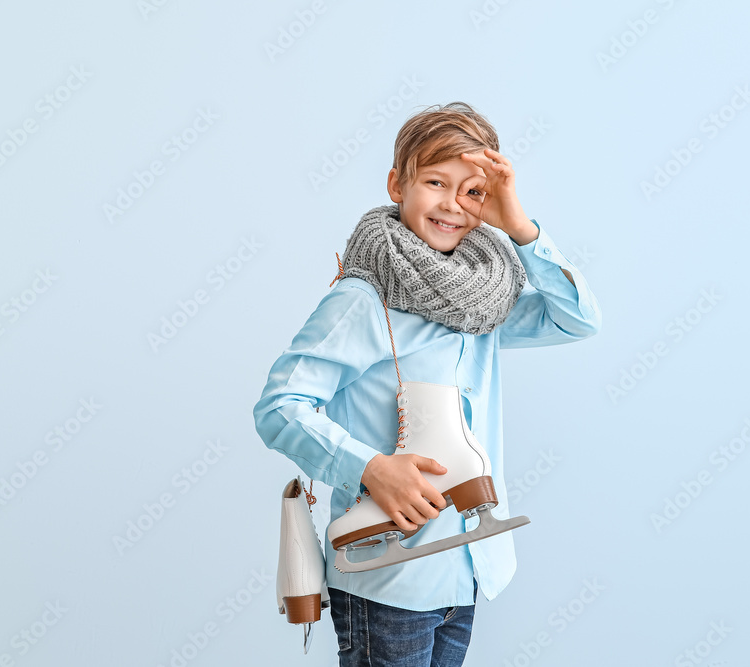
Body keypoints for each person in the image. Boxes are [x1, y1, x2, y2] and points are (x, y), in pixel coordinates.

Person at [254, 101, 601, 666]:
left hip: (467, 567)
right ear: (398, 184)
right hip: (387, 577)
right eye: (436, 182)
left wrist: (520, 229)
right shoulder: (362, 300)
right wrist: (369, 467)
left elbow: (577, 319)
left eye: (473, 191)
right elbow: (279, 407)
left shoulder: (484, 298)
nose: (452, 204)